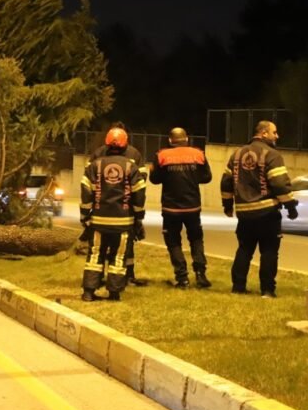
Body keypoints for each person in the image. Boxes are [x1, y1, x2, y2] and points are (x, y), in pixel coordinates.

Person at [220, 120, 298, 298]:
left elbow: (226, 181)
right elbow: (279, 183)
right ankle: (267, 290)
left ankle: (238, 288)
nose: (277, 136)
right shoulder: (272, 154)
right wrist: (291, 206)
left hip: (244, 214)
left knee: (244, 249)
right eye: (274, 132)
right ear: (264, 133)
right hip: (267, 212)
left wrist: (227, 205)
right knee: (269, 251)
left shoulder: (237, 154)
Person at [79, 127, 146, 301]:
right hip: (123, 221)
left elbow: (86, 191)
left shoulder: (95, 165)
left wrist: (85, 215)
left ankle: (88, 292)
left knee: (95, 255)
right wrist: (139, 218)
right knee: (119, 256)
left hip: (99, 220)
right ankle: (114, 292)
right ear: (125, 143)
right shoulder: (131, 166)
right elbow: (139, 194)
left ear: (106, 143)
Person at [149, 127, 212, 289]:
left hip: (171, 208)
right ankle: (200, 274)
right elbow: (207, 177)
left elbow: (155, 179)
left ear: (170, 141)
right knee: (196, 239)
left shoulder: (161, 155)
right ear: (187, 139)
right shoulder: (198, 154)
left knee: (173, 241)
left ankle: (182, 277)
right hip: (193, 207)